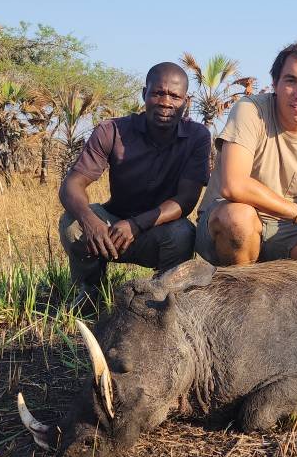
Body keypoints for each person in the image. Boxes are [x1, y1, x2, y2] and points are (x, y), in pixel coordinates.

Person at [195, 35, 297, 267]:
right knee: (239, 221)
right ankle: (242, 296)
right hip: (225, 222)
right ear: (275, 83)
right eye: (291, 81)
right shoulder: (250, 110)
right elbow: (233, 185)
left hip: (285, 230)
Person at [58, 62, 210, 304]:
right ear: (144, 94)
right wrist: (91, 222)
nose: (165, 102)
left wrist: (137, 225)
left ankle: (163, 297)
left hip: (159, 231)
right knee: (72, 223)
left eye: (174, 96)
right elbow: (72, 185)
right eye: (158, 93)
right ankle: (90, 290)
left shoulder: (197, 136)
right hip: (111, 229)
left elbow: (187, 200)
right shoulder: (112, 130)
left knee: (183, 233)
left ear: (186, 101)